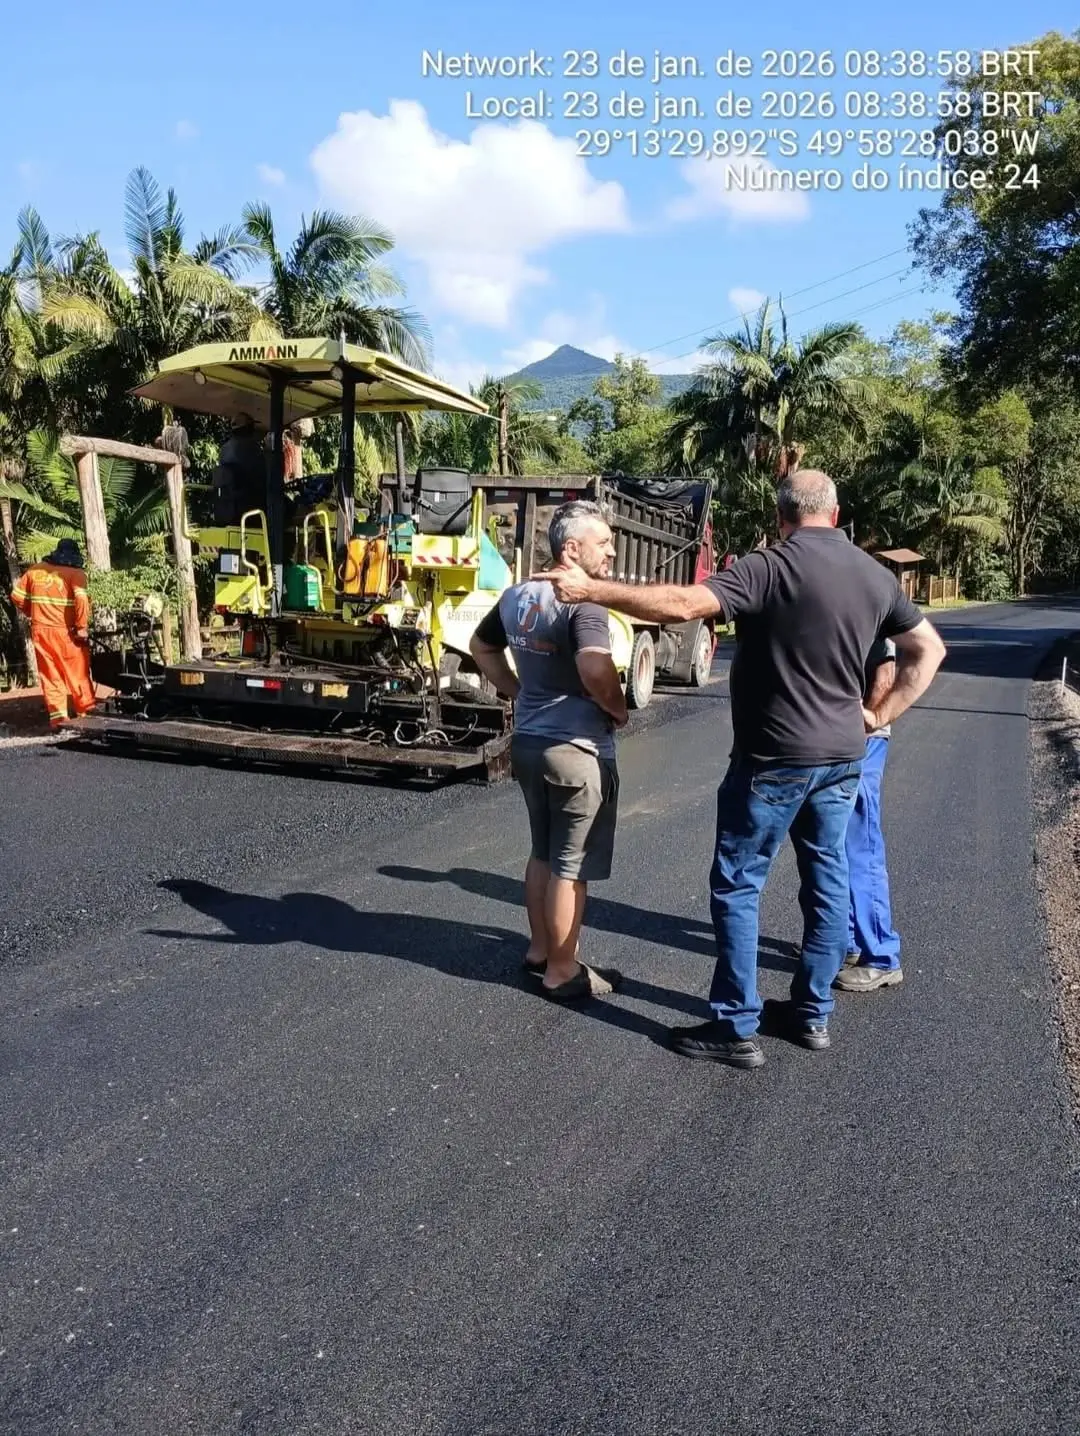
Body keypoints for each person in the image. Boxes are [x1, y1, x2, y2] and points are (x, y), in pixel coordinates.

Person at [535, 470, 946, 1066]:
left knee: (739, 885)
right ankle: (811, 1014)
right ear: (835, 513)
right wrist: (878, 716)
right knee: (826, 882)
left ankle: (735, 1026)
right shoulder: (874, 576)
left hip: (772, 760)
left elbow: (682, 604)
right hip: (841, 760)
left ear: (782, 516)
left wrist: (592, 591)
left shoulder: (770, 566)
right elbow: (928, 650)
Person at [469, 500, 629, 1002]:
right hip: (575, 750)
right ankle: (563, 969)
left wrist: (518, 693)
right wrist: (618, 710)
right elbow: (596, 669)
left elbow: (481, 647)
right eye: (602, 542)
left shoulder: (518, 595)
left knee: (542, 850)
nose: (611, 550)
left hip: (531, 746)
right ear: (571, 548)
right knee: (570, 864)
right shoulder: (584, 604)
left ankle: (541, 949)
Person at [833, 635, 904, 991]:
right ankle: (848, 943)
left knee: (861, 845)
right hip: (837, 740)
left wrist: (863, 727)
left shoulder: (875, 607)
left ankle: (881, 955)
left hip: (864, 740)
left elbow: (884, 678)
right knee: (837, 844)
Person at [11, 539, 98, 728]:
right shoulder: (77, 573)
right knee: (77, 674)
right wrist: (82, 627)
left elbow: (16, 597)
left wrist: (31, 612)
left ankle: (59, 720)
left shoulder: (35, 571)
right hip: (67, 633)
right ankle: (89, 716)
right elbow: (81, 600)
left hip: (40, 632)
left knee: (51, 676)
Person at [213, 413, 266, 524]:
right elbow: (264, 476)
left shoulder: (224, 449)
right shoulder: (252, 448)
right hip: (250, 507)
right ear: (248, 428)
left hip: (228, 508)